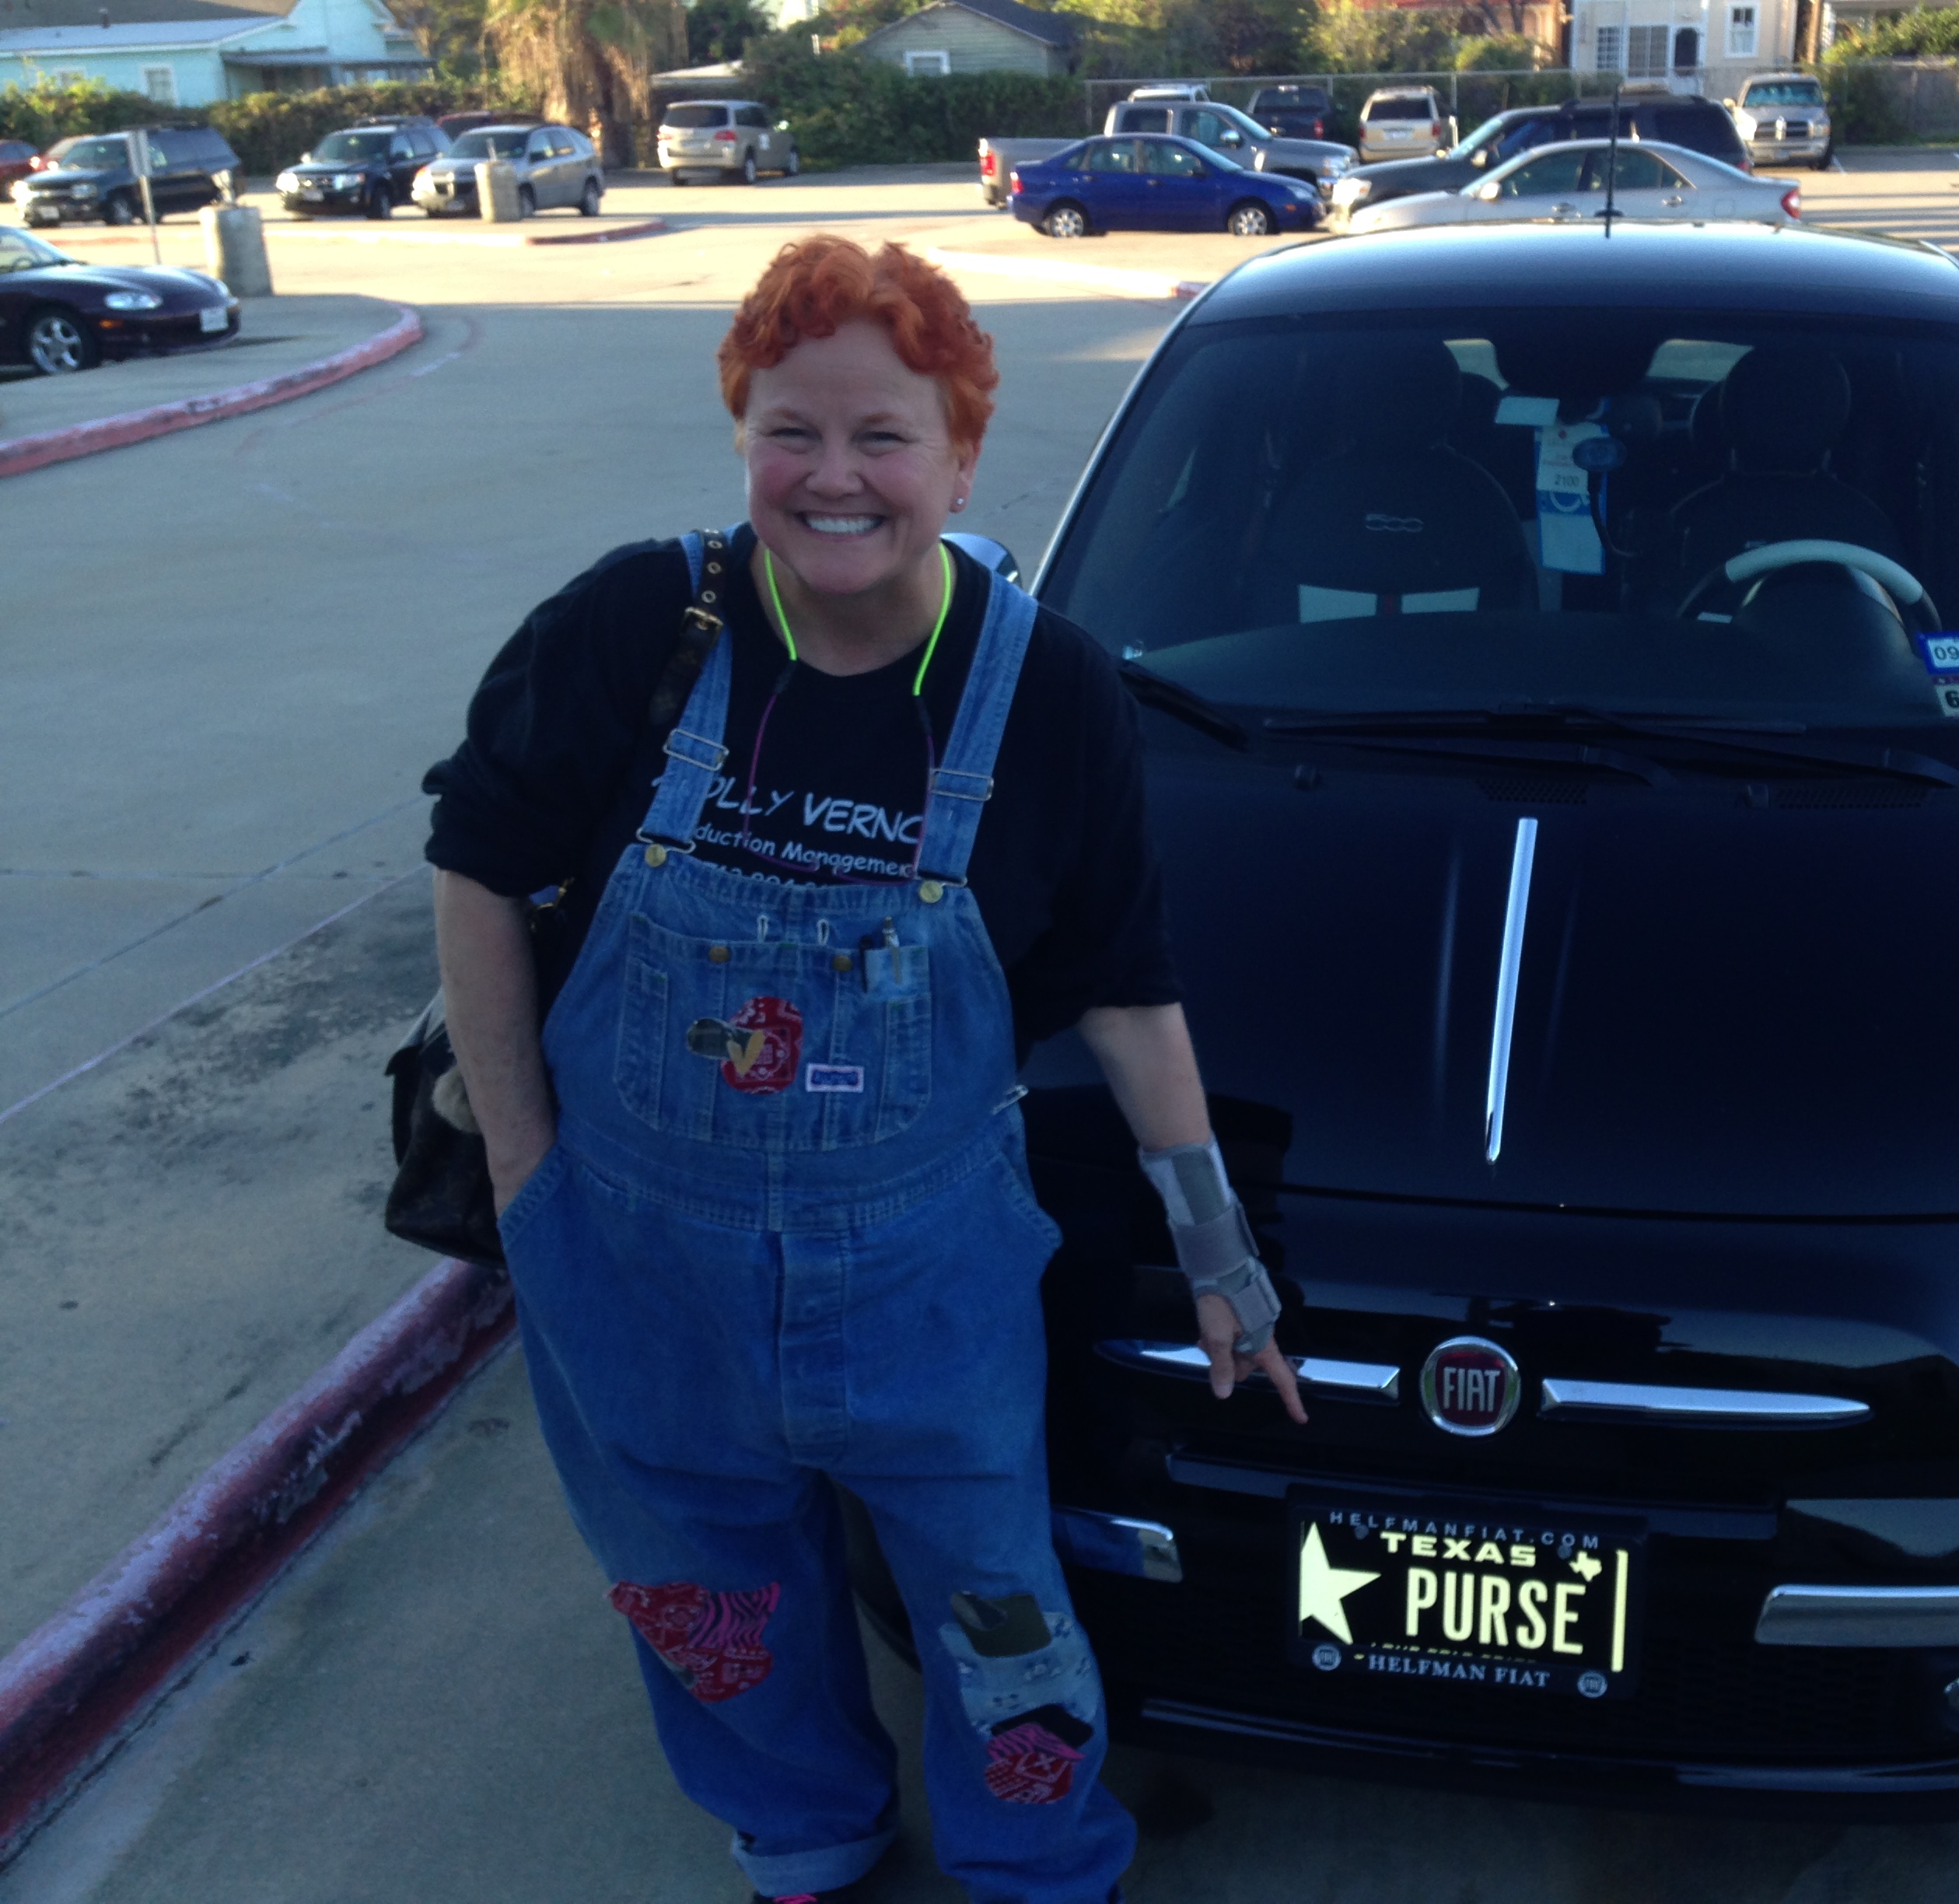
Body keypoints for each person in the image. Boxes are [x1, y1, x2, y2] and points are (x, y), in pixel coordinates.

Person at [423, 235, 1304, 1904]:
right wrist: (533, 1181)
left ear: (962, 452)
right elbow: (475, 869)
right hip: (633, 1266)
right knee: (711, 1605)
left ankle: (1033, 1862)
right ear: (742, 429)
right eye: (790, 431)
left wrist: (1220, 1257)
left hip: (927, 1283)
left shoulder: (1045, 688)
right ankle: (806, 1837)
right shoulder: (637, 631)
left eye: (883, 437)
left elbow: (1122, 985)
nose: (834, 480)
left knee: (999, 1611)